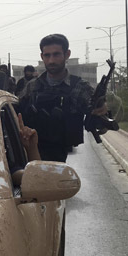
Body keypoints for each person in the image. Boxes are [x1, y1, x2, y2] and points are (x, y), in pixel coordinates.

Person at [17, 33, 107, 162]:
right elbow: (15, 113)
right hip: (29, 154)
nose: (51, 60)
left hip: (59, 156)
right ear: (42, 56)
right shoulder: (32, 87)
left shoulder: (80, 88)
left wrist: (101, 110)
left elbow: (101, 124)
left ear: (67, 54)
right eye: (47, 55)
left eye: (56, 54)